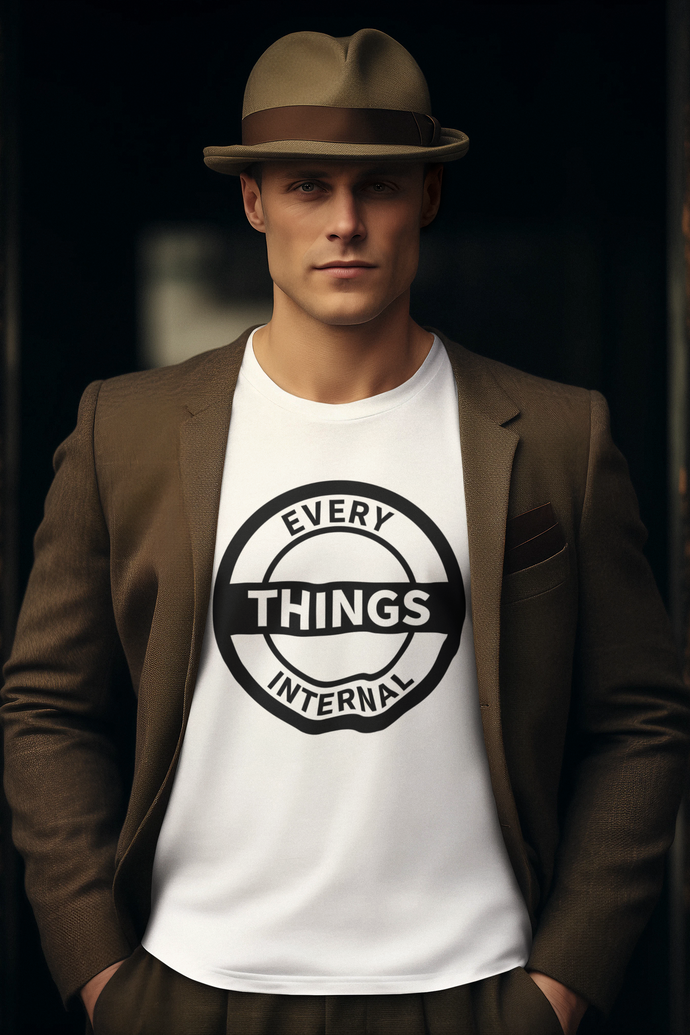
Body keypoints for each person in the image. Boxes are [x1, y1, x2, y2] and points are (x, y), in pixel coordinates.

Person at [2, 27, 688, 1035]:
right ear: (253, 201)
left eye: (380, 187)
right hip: (192, 988)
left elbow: (639, 719)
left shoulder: (555, 436)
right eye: (308, 187)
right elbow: (48, 706)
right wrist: (102, 973)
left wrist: (561, 983)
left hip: (475, 990)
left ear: (429, 196)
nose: (346, 223)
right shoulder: (127, 431)